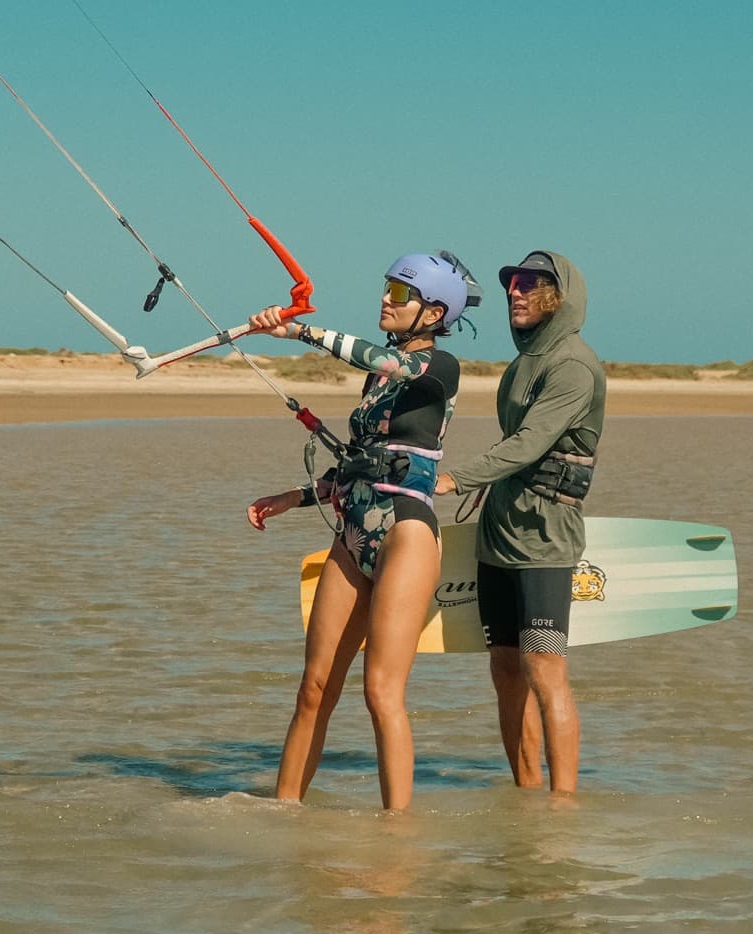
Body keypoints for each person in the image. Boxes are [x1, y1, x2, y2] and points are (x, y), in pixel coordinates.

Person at [246, 252, 476, 810]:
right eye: (386, 289)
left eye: (400, 294)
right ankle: (284, 814)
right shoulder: (379, 372)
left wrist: (300, 330)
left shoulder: (440, 368)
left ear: (434, 311)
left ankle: (397, 832)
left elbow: (391, 367)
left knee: (380, 692)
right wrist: (294, 497)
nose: (385, 300)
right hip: (352, 530)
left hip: (406, 534)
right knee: (314, 689)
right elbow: (361, 463)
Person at [435, 251, 604, 795]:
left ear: (560, 295)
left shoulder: (573, 365)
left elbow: (530, 444)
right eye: (511, 282)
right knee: (506, 672)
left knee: (545, 672)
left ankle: (563, 803)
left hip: (544, 544)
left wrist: (454, 479)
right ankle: (526, 791)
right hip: (496, 539)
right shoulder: (523, 363)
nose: (515, 291)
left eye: (531, 283)